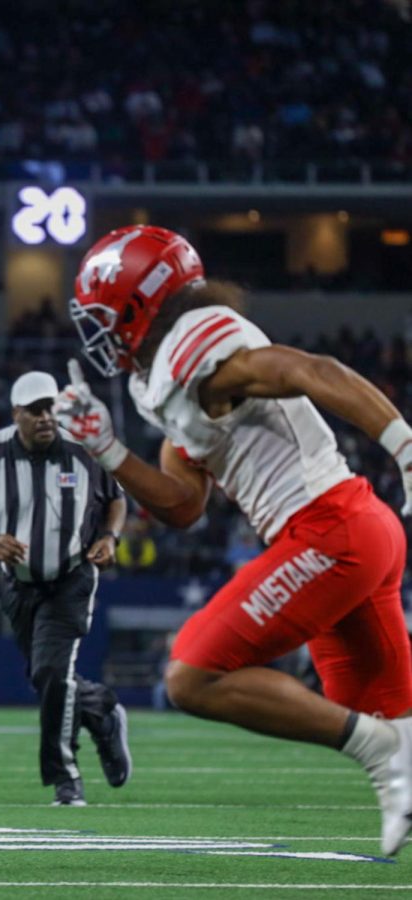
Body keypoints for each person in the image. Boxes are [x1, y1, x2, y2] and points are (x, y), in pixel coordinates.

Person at [54, 224, 412, 855]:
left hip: (330, 529)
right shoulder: (171, 385)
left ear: (140, 307)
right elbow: (182, 503)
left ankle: (379, 751)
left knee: (193, 675)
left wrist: (403, 443)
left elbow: (310, 369)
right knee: (387, 715)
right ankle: (391, 753)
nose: (100, 334)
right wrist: (106, 449)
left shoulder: (200, 358)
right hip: (354, 529)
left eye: (107, 316)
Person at [0, 370, 130, 806]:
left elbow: (117, 497)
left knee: (52, 674)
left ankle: (65, 778)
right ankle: (102, 709)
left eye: (50, 408)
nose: (46, 417)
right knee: (48, 678)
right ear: (17, 414)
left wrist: (110, 537)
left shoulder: (83, 448)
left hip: (72, 575)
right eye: (35, 410)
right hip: (19, 583)